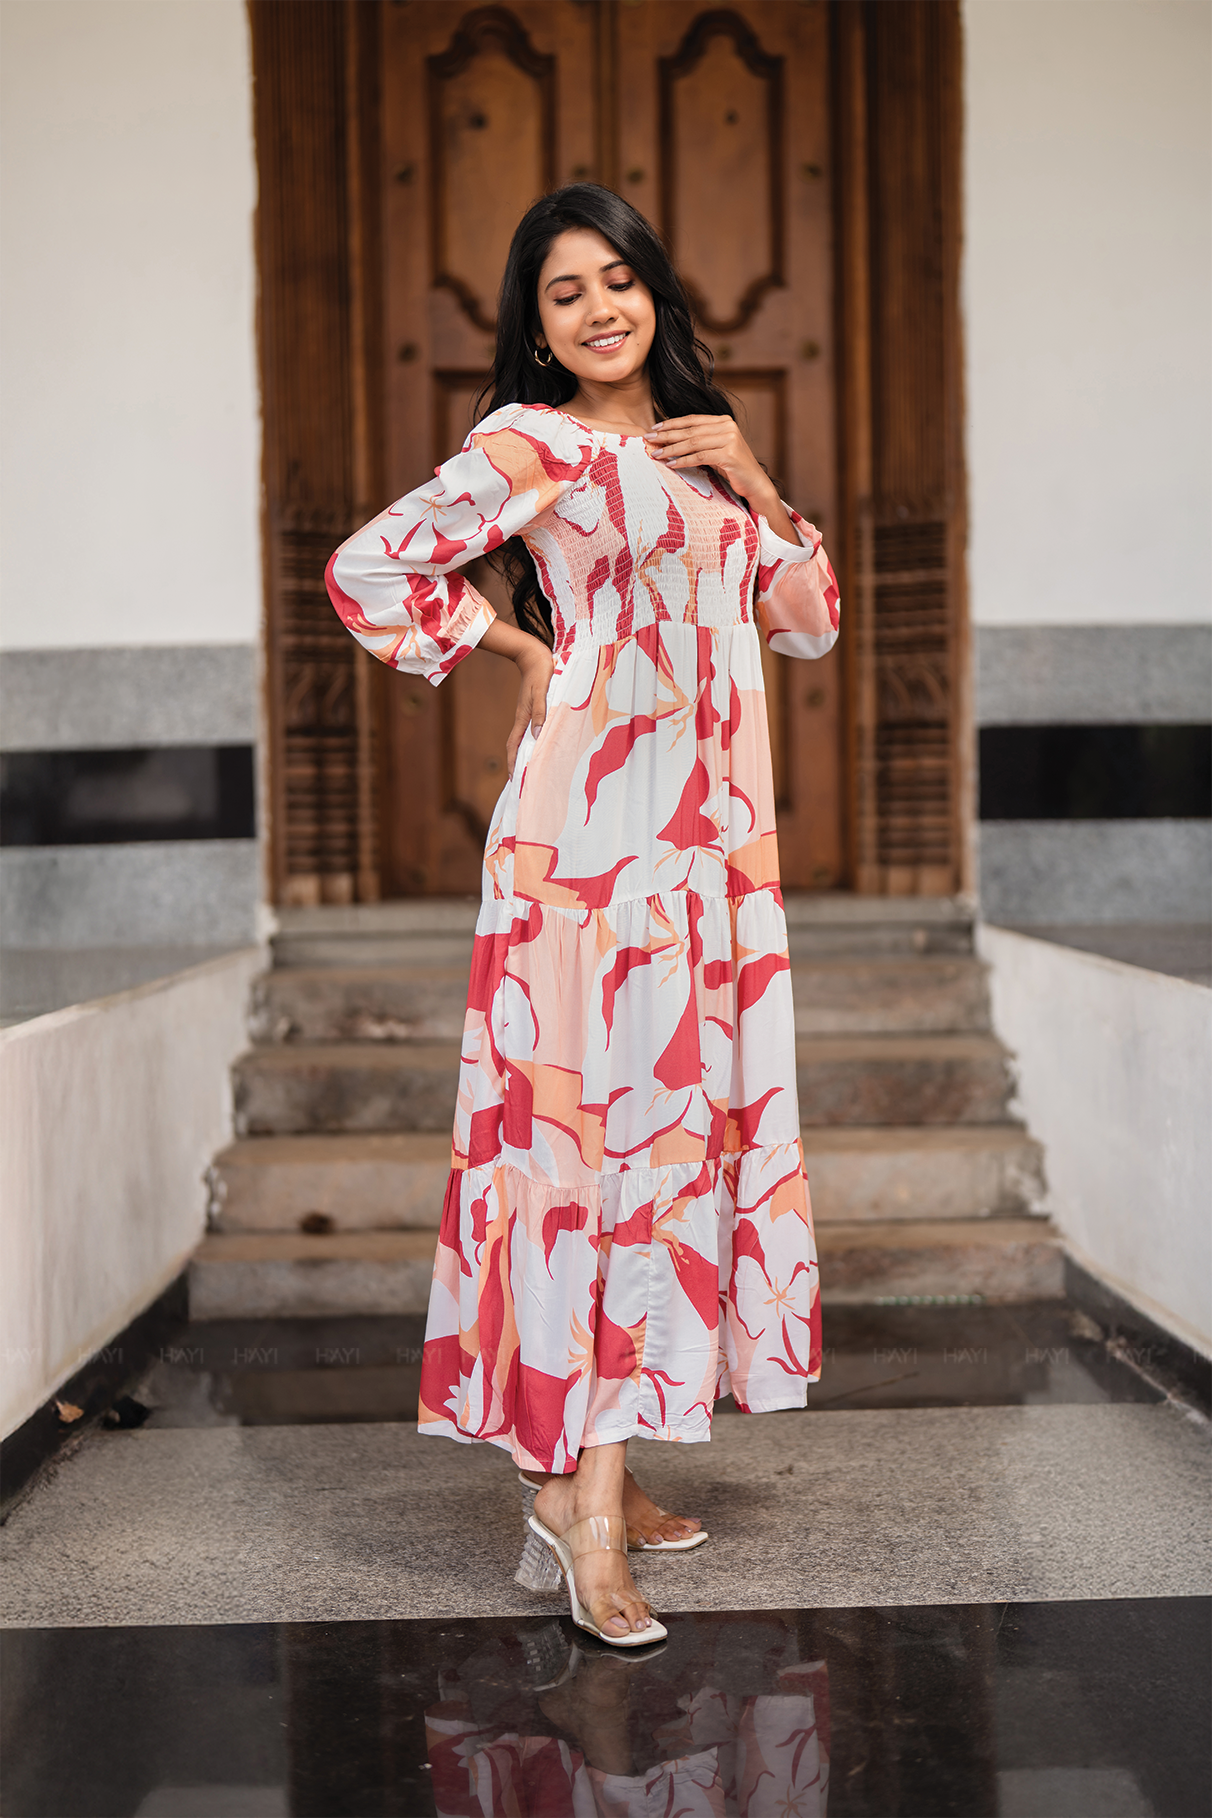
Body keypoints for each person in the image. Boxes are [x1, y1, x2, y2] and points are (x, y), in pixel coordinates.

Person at [327, 184, 839, 1647]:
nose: (599, 308)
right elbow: (370, 568)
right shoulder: (529, 445)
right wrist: (509, 643)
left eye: (618, 280)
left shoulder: (700, 449)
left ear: (657, 295)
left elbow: (809, 616)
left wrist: (750, 470)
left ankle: (577, 1471)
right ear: (535, 324)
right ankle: (590, 1510)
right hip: (587, 847)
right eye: (565, 291)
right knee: (592, 1152)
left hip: (709, 853)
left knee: (672, 1146)